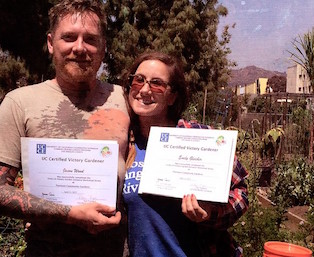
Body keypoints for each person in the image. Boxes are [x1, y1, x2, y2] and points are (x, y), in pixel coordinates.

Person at [0, 0, 130, 256]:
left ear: (103, 48)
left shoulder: (125, 99)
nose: (80, 48)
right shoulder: (19, 102)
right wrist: (69, 214)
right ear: (51, 43)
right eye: (69, 37)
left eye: (91, 39)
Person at [122, 51, 249, 257]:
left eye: (157, 84)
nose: (145, 90)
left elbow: (240, 192)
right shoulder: (123, 143)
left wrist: (210, 213)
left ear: (172, 96)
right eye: (138, 80)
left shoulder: (199, 138)